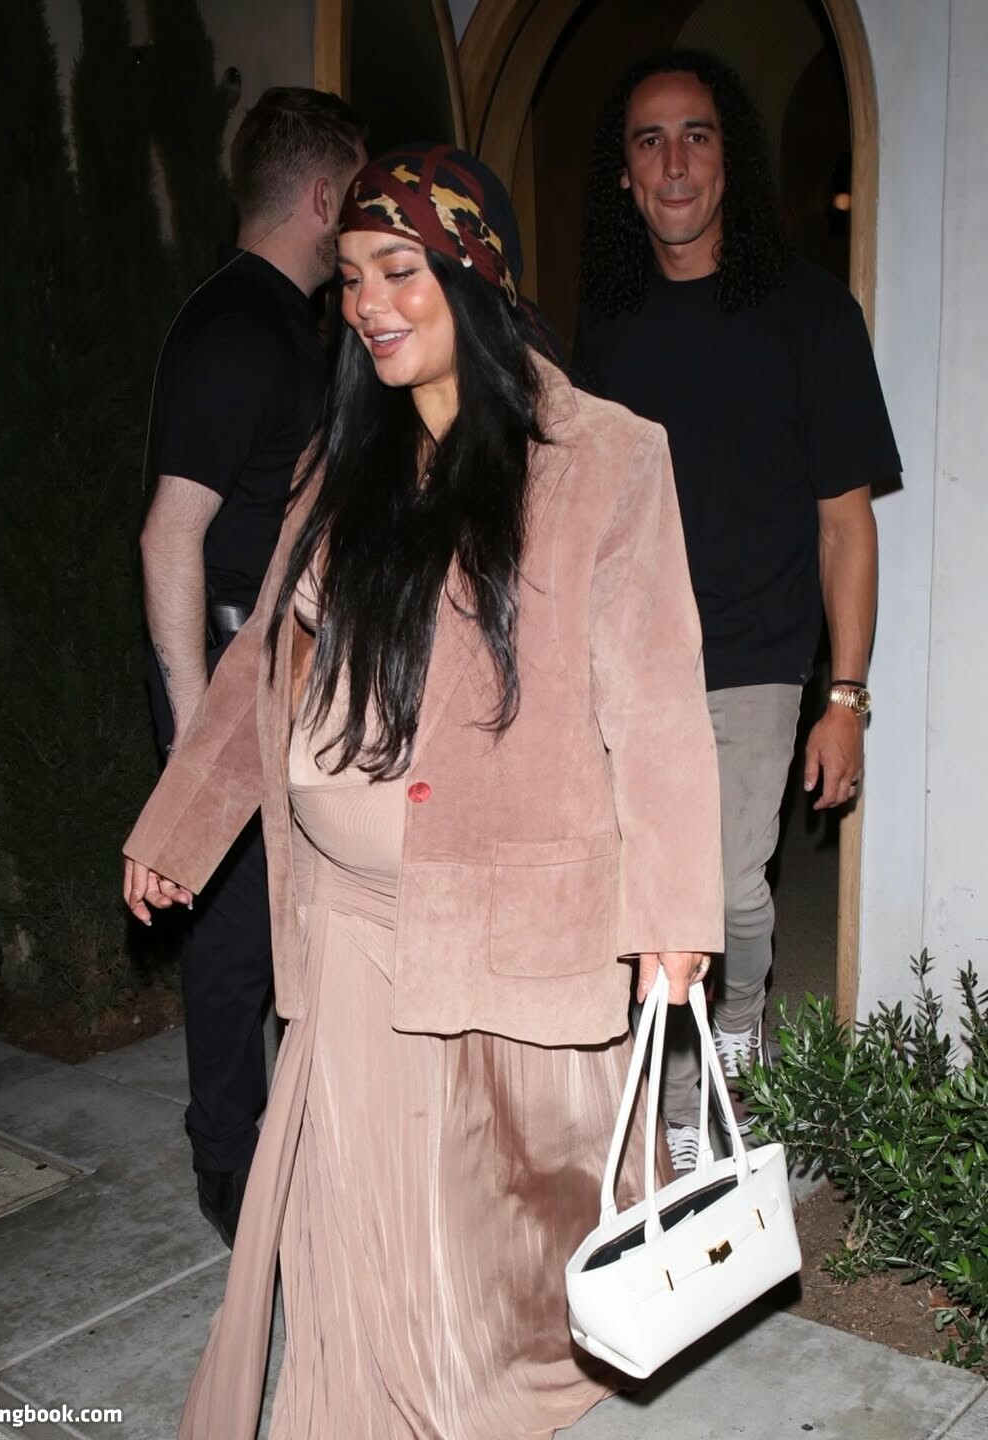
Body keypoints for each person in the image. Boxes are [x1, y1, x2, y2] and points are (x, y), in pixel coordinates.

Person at [123, 143, 722, 1440]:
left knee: (506, 1243)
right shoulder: (338, 458)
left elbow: (659, 706)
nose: (369, 305)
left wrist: (674, 917)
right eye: (350, 278)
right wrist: (183, 823)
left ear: (474, 272)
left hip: (500, 914)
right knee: (358, 1238)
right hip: (346, 926)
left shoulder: (603, 458)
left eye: (399, 270)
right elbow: (260, 665)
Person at [575, 50, 901, 1169]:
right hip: (626, 659)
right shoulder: (607, 326)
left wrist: (845, 698)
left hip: (756, 656)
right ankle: (679, 1104)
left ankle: (740, 1027)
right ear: (625, 174)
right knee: (647, 897)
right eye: (649, 140)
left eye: (697, 135)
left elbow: (846, 523)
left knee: (725, 895)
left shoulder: (809, 313)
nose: (674, 162)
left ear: (731, 159)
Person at [140, 87, 365, 1246]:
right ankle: (231, 1172)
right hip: (228, 672)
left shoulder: (278, 321)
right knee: (233, 944)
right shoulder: (242, 328)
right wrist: (196, 738)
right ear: (323, 197)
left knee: (289, 928)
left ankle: (285, 1148)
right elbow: (168, 533)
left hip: (277, 665)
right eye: (356, 195)